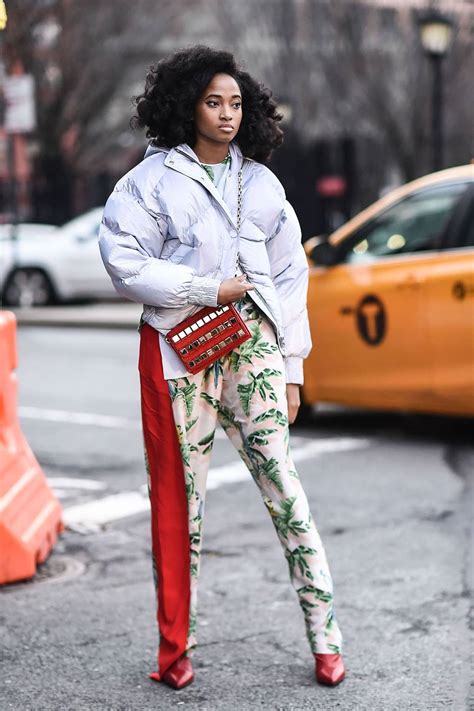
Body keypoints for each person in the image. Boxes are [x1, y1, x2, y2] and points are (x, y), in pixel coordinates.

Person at [98, 45, 345, 691]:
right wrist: (205, 288)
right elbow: (122, 262)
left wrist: (292, 364)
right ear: (186, 106)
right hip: (179, 353)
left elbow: (292, 273)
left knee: (285, 489)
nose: (227, 114)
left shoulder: (261, 182)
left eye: (236, 102)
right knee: (183, 506)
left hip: (255, 347)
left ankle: (326, 638)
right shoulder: (146, 184)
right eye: (214, 101)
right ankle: (175, 651)